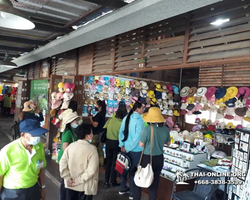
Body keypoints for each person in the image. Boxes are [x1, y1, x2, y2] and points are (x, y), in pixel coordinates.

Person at [0, 119, 48, 200]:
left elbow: (41, 168)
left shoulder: (39, 147)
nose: (37, 137)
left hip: (33, 189)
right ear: (23, 134)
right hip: (12, 193)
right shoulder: (7, 151)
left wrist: (42, 187)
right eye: (34, 135)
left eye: (38, 135)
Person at [133, 107, 170, 200]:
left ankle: (136, 198)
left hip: (147, 158)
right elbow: (168, 143)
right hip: (159, 158)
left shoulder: (148, 129)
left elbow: (141, 144)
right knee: (154, 182)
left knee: (139, 179)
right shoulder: (165, 129)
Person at [59, 124, 99, 200]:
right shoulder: (92, 150)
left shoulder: (70, 146)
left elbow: (62, 163)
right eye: (91, 133)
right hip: (84, 187)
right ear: (87, 136)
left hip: (69, 185)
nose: (92, 135)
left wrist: (67, 178)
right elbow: (91, 170)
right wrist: (77, 181)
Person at [119, 101, 145, 200]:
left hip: (125, 148)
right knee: (133, 172)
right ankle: (132, 193)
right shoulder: (140, 121)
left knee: (124, 169)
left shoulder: (126, 118)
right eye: (142, 108)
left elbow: (120, 132)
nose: (143, 110)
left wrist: (122, 145)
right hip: (135, 150)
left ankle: (122, 188)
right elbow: (137, 138)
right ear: (137, 109)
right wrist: (128, 147)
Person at [58, 111, 82, 200]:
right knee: (64, 179)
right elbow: (65, 148)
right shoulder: (68, 133)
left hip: (71, 158)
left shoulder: (73, 131)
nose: (77, 122)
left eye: (77, 120)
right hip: (66, 159)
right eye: (75, 121)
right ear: (70, 122)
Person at [104, 104, 127, 188]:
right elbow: (122, 135)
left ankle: (106, 181)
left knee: (108, 162)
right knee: (115, 163)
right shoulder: (122, 124)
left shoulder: (110, 120)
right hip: (116, 143)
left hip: (108, 142)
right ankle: (113, 181)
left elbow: (105, 127)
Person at [89, 100, 106, 168]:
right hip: (100, 134)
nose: (95, 106)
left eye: (96, 105)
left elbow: (95, 125)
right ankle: (101, 164)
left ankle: (94, 164)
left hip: (96, 134)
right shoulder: (102, 114)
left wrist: (91, 119)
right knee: (99, 149)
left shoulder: (99, 115)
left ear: (100, 107)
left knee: (93, 149)